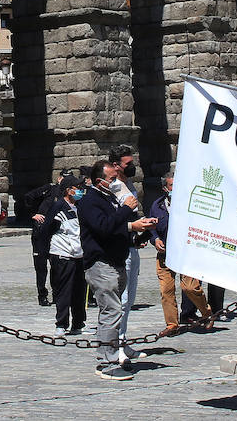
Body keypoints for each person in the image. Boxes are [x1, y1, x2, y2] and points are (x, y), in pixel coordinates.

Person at [78, 159, 156, 381]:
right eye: (112, 179)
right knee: (111, 312)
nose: (115, 182)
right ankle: (108, 363)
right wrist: (125, 210)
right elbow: (103, 227)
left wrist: (139, 229)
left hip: (117, 261)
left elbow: (117, 227)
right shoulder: (90, 201)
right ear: (99, 181)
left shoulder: (108, 198)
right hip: (101, 264)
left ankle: (108, 356)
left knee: (113, 311)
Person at [149, 173, 211, 336]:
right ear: (165, 188)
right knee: (166, 290)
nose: (175, 189)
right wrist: (155, 240)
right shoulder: (157, 205)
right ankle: (172, 324)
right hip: (165, 254)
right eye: (171, 186)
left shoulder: (189, 203)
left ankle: (206, 312)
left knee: (189, 287)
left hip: (186, 253)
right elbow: (151, 228)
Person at [107, 144, 145, 363]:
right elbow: (114, 220)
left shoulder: (129, 185)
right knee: (120, 300)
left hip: (132, 246)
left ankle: (123, 340)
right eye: (128, 164)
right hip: (121, 249)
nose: (133, 167)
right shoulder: (114, 188)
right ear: (116, 165)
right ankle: (115, 345)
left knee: (129, 299)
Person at [43, 175, 87, 337]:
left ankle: (78, 323)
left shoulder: (80, 206)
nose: (80, 190)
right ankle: (61, 323)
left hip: (79, 255)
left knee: (79, 291)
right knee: (64, 291)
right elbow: (47, 228)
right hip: (62, 255)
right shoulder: (59, 206)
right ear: (69, 190)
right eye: (77, 188)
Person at [26, 169, 71, 306]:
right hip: (40, 233)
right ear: (59, 179)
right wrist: (33, 214)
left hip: (55, 233)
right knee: (41, 267)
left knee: (56, 265)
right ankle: (42, 294)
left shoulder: (68, 195)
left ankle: (57, 294)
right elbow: (29, 197)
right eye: (64, 178)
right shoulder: (50, 189)